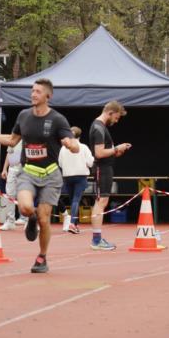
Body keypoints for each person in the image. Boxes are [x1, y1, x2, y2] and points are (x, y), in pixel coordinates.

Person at [0, 78, 78, 274]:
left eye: (38, 91)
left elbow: (71, 142)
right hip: (28, 172)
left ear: (48, 96)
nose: (33, 94)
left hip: (50, 175)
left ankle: (42, 257)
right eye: (32, 91)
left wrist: (73, 145)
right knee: (25, 207)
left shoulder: (57, 119)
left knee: (45, 220)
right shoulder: (23, 116)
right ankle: (31, 217)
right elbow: (11, 141)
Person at [89, 100, 131, 250]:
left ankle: (97, 239)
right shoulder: (98, 127)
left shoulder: (100, 127)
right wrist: (116, 149)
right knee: (101, 202)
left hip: (105, 167)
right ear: (110, 112)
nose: (116, 120)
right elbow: (99, 153)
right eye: (116, 117)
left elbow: (104, 152)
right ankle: (96, 240)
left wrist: (117, 151)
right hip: (102, 168)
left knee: (102, 202)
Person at [58, 126, 94, 233]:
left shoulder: (63, 148)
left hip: (67, 177)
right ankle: (73, 223)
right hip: (81, 176)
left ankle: (74, 223)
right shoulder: (83, 147)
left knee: (72, 199)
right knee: (76, 200)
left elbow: (60, 163)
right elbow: (91, 163)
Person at [0, 139, 26, 230]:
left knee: (25, 194)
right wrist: (4, 169)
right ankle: (10, 221)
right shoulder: (13, 138)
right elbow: (9, 153)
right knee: (10, 194)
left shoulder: (30, 136)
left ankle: (26, 219)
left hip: (25, 169)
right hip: (12, 168)